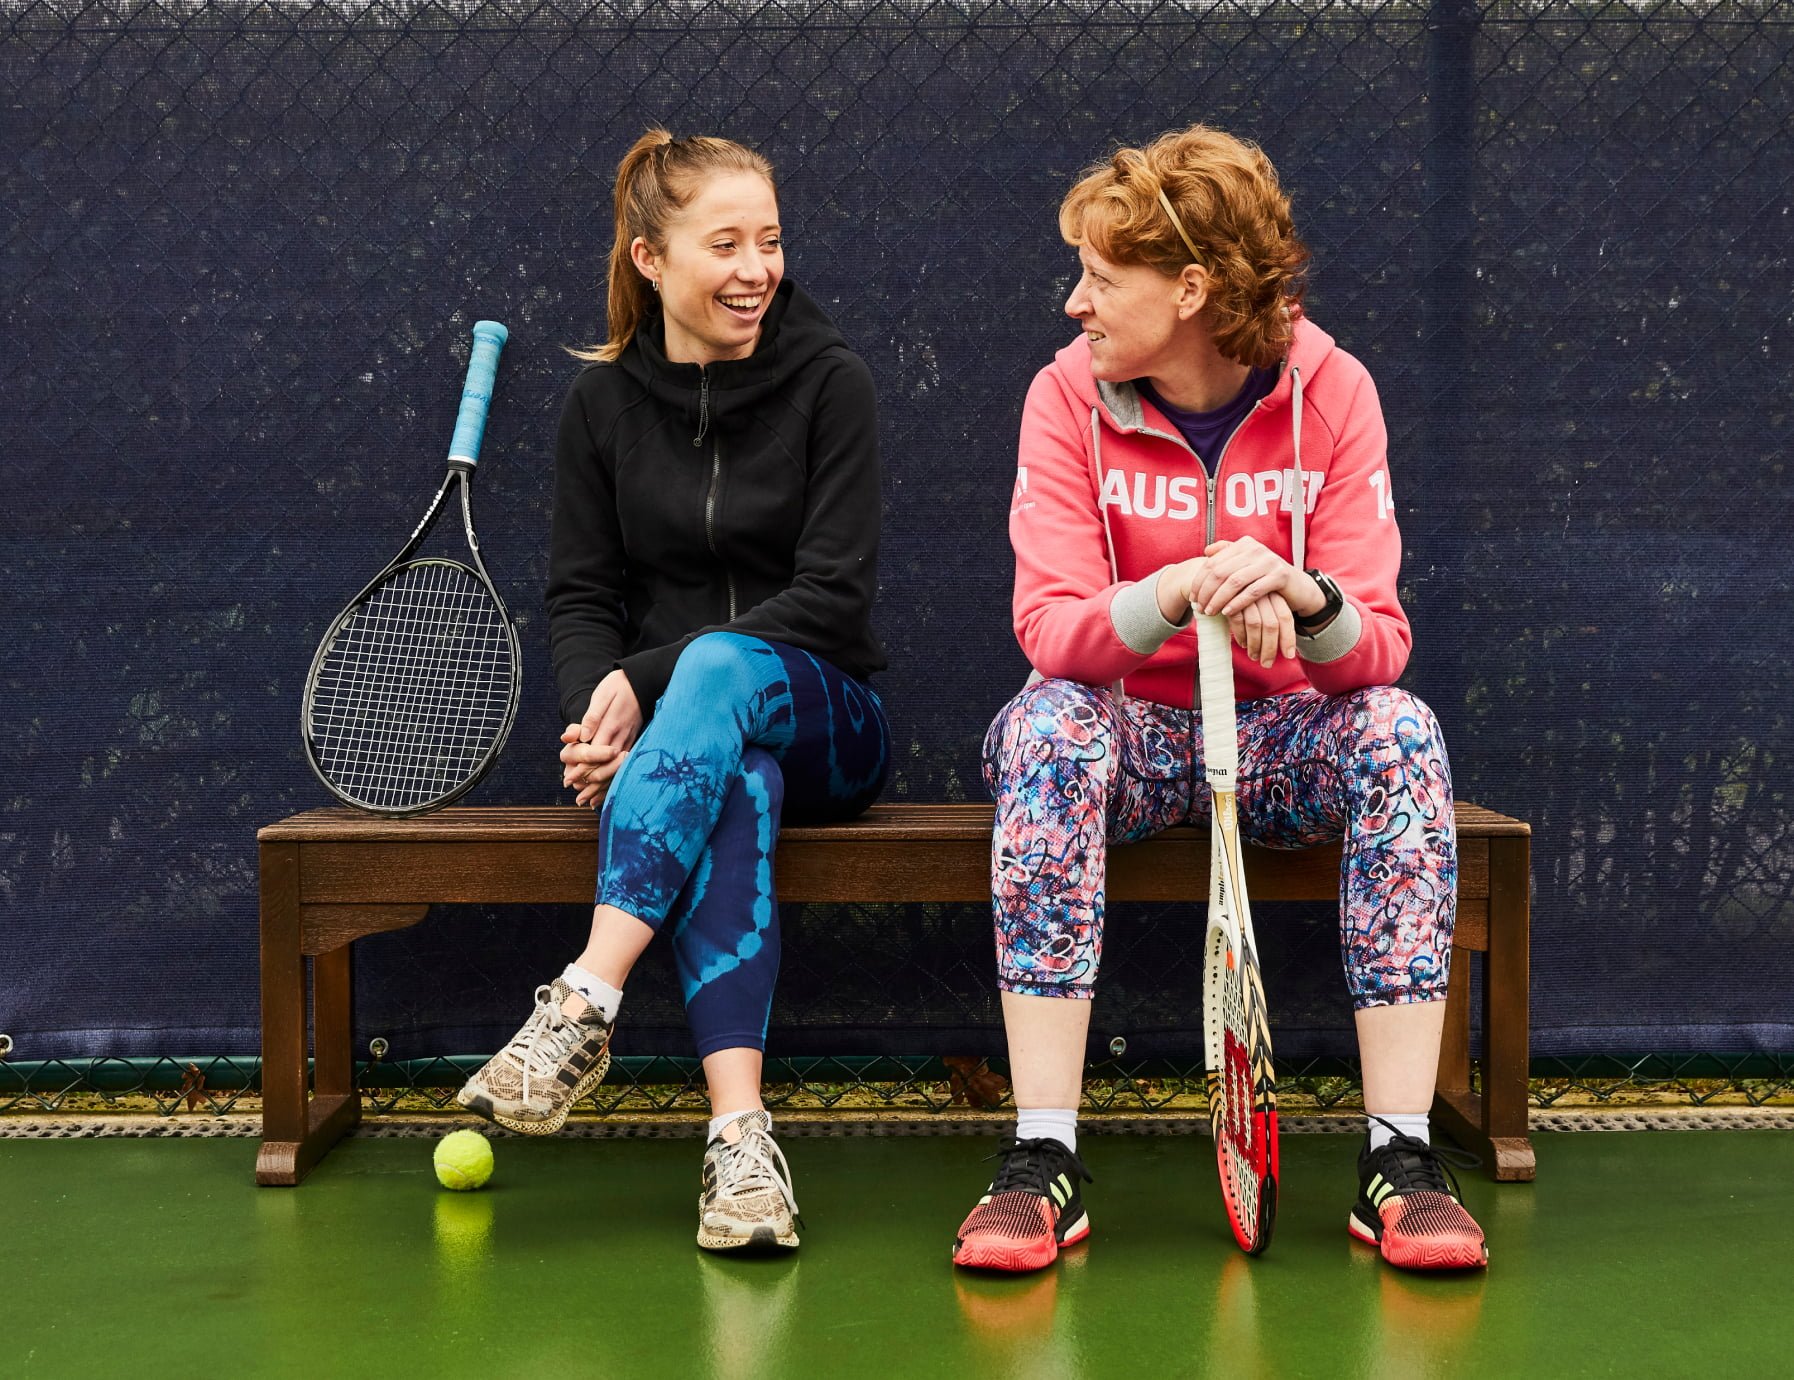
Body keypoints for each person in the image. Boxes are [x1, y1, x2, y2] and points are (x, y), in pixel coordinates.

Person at [951, 124, 1486, 1274]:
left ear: (1190, 288)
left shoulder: (1333, 392)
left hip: (1286, 737)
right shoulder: (1067, 400)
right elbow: (1050, 632)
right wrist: (1177, 588)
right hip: (1129, 734)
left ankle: (1400, 1160)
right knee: (1045, 726)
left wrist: (1299, 592)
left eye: (1101, 279)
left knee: (1404, 734)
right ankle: (1041, 1159)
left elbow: (1376, 646)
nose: (1075, 306)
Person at [456, 129, 891, 1254]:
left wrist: (641, 685)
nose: (757, 269)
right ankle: (741, 1147)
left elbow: (834, 599)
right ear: (651, 258)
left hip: (829, 721)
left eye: (772, 242)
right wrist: (594, 712)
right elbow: (579, 595)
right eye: (727, 244)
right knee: (728, 776)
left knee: (715, 674)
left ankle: (586, 1000)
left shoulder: (829, 382)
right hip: (699, 753)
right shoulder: (599, 407)